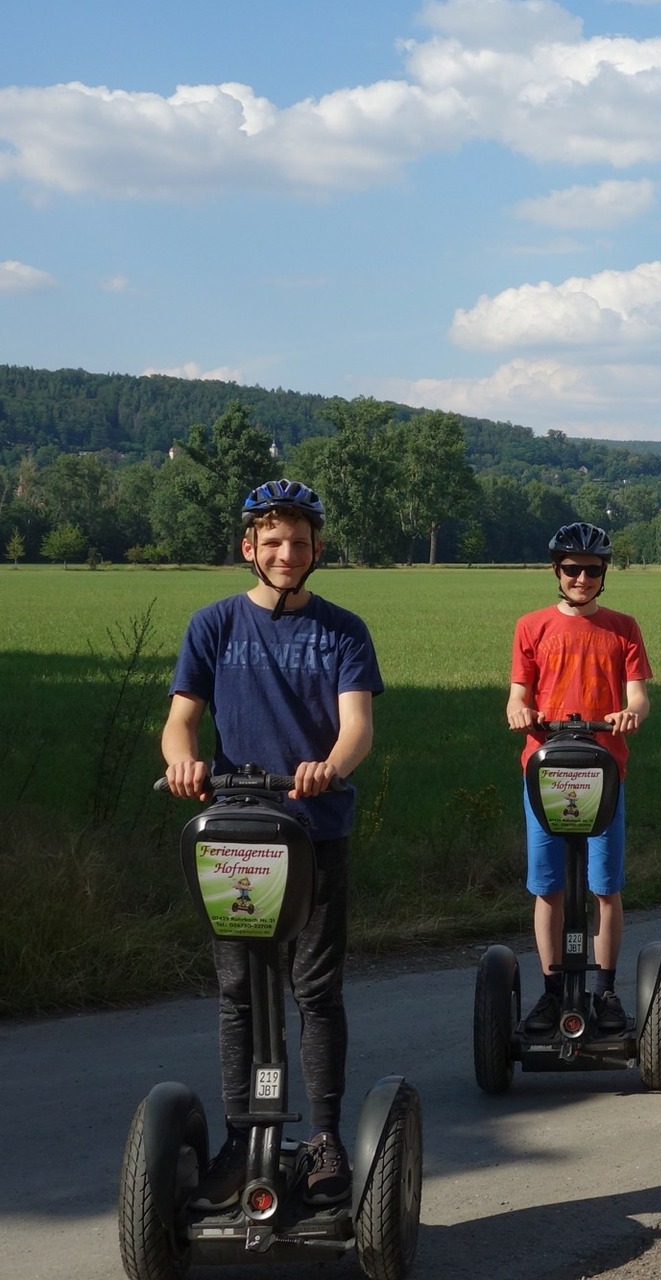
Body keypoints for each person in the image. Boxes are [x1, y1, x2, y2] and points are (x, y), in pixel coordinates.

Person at [161, 479, 382, 1210]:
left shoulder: (342, 630)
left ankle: (322, 1135)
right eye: (273, 541)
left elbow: (356, 728)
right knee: (237, 992)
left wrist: (331, 767)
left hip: (313, 832)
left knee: (314, 989)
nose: (287, 553)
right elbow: (182, 720)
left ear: (317, 549)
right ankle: (239, 1137)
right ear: (249, 548)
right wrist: (183, 760)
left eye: (300, 542)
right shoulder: (215, 624)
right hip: (235, 834)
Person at [506, 522, 652, 1037]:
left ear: (604, 574)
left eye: (592, 570)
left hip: (604, 769)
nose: (582, 578)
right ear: (557, 571)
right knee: (548, 888)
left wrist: (630, 713)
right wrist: (521, 712)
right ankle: (550, 991)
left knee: (604, 886)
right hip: (545, 770)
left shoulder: (622, 628)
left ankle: (605, 989)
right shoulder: (532, 626)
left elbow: (638, 695)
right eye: (572, 569)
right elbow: (518, 694)